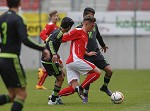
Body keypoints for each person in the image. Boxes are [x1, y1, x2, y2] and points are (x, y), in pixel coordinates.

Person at [0, 0, 50, 111]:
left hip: (2, 59)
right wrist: (43, 48)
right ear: (19, 3)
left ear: (7, 4)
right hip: (11, 60)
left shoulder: (2, 18)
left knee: (13, 95)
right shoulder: (18, 19)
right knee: (22, 95)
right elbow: (25, 39)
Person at [58, 15, 101, 102]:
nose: (92, 28)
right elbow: (62, 38)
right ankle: (81, 88)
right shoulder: (78, 31)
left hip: (70, 63)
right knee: (97, 72)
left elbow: (80, 47)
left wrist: (87, 53)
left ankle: (55, 97)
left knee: (73, 88)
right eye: (91, 26)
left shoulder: (85, 35)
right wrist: (50, 40)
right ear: (85, 23)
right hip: (75, 60)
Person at [77, 7, 113, 103]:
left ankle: (104, 87)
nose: (92, 18)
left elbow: (98, 36)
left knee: (109, 71)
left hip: (97, 53)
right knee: (91, 75)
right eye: (90, 16)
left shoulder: (94, 25)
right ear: (84, 16)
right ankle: (85, 95)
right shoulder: (78, 28)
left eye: (93, 16)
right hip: (86, 55)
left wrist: (103, 45)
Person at [41, 17, 74, 105]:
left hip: (47, 58)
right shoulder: (59, 33)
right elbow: (50, 42)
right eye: (70, 26)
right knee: (60, 78)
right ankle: (52, 100)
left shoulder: (56, 31)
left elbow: (47, 40)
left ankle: (53, 96)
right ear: (69, 26)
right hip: (49, 60)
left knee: (62, 74)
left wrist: (55, 53)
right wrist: (54, 54)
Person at [36, 10, 59, 90]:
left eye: (57, 16)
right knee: (58, 64)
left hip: (53, 49)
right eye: (54, 16)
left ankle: (40, 83)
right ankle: (43, 72)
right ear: (51, 17)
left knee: (54, 65)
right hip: (48, 49)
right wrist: (48, 40)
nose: (56, 17)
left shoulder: (56, 26)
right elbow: (42, 34)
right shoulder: (50, 25)